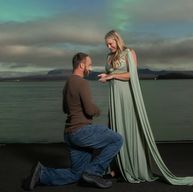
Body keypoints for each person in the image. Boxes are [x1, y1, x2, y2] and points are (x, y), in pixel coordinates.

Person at [98, 30, 193, 185]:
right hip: (114, 97)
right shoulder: (109, 56)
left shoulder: (129, 52)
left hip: (127, 97)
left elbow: (132, 75)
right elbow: (111, 72)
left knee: (128, 129)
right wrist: (105, 75)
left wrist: (112, 76)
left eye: (110, 43)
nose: (108, 46)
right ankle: (116, 168)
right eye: (107, 44)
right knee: (115, 131)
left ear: (117, 40)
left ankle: (133, 167)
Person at [22, 52, 123, 190]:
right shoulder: (82, 82)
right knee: (117, 139)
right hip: (81, 132)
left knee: (77, 174)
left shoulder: (68, 82)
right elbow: (89, 110)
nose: (91, 68)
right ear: (82, 65)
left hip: (69, 134)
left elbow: (65, 108)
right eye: (90, 65)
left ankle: (42, 174)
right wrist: (97, 110)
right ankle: (94, 172)